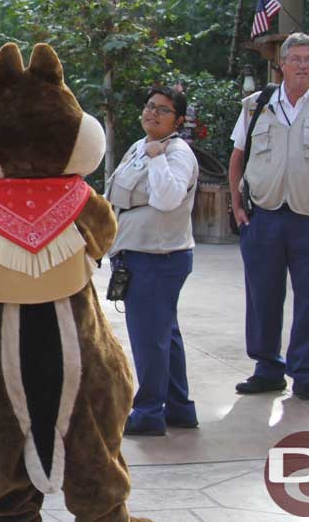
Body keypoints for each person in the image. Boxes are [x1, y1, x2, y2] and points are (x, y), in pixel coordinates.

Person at [229, 32, 309, 403]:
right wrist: (239, 209)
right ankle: (267, 369)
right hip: (265, 218)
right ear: (281, 64)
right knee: (262, 297)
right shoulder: (257, 105)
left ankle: (305, 373)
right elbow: (238, 156)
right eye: (296, 58)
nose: (303, 65)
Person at [105, 85, 200, 436]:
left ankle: (148, 413)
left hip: (158, 258)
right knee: (164, 335)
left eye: (162, 109)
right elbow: (115, 192)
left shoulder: (177, 153)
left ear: (177, 120)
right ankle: (179, 408)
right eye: (149, 106)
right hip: (137, 254)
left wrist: (158, 157)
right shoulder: (138, 147)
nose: (152, 113)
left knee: (150, 339)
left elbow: (167, 198)